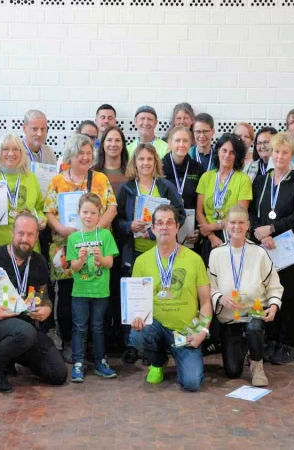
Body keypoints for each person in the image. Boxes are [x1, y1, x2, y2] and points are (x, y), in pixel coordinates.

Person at [0, 212, 67, 393]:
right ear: (12, 233)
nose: (25, 239)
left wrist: (46, 308)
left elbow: (43, 294)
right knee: (24, 332)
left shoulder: (39, 262)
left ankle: (11, 357)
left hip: (27, 329)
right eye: (21, 233)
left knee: (57, 374)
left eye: (30, 234)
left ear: (37, 236)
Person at [44, 134, 117, 363]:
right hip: (65, 246)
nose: (85, 158)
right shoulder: (57, 181)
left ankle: (95, 347)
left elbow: (112, 208)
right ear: (70, 156)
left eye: (88, 153)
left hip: (97, 246)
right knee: (66, 297)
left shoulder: (101, 179)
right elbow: (49, 212)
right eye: (80, 153)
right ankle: (68, 342)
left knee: (96, 295)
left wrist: (93, 232)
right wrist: (64, 230)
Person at [115, 143, 185, 363]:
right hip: (133, 253)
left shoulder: (165, 186)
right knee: (134, 299)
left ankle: (152, 347)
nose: (145, 163)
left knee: (157, 297)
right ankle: (132, 344)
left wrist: (154, 234)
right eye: (141, 159)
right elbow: (116, 221)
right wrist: (129, 226)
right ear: (134, 162)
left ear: (156, 162)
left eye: (149, 159)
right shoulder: (127, 189)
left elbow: (180, 215)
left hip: (161, 253)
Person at [129, 205, 212, 392]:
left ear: (177, 226)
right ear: (152, 228)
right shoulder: (141, 261)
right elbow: (136, 301)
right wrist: (136, 316)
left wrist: (201, 331)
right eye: (159, 222)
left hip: (185, 331)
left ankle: (181, 357)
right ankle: (158, 362)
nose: (164, 227)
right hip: (156, 327)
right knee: (137, 335)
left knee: (192, 384)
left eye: (169, 222)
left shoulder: (194, 259)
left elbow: (206, 302)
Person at [250, 132, 294, 365]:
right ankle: (270, 338)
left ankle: (284, 342)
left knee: (287, 293)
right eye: (276, 151)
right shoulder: (262, 181)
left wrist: (271, 229)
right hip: (264, 247)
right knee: (265, 292)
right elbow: (252, 211)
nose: (280, 156)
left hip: (287, 249)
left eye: (285, 152)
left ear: (292, 155)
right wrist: (259, 232)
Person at [207, 205, 283, 386]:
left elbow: (274, 285)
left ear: (248, 226)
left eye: (241, 222)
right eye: (232, 222)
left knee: (253, 328)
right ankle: (244, 348)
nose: (237, 227)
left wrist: (273, 306)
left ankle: (257, 364)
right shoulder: (216, 254)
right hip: (229, 317)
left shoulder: (259, 253)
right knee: (232, 372)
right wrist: (219, 297)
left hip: (253, 312)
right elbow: (209, 286)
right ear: (226, 225)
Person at [67, 193, 119, 382]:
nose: (88, 216)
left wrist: (100, 259)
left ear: (99, 215)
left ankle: (100, 361)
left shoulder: (105, 235)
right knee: (79, 327)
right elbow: (73, 267)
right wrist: (81, 259)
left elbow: (110, 263)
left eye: (93, 213)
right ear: (78, 213)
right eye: (85, 212)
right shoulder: (73, 238)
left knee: (98, 327)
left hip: (100, 291)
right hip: (80, 292)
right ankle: (78, 362)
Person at [93, 125, 130, 352]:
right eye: (109, 140)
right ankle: (102, 337)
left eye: (118, 140)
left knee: (119, 289)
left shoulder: (130, 171)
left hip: (123, 236)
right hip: (99, 238)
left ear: (123, 145)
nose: (113, 144)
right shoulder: (95, 172)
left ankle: (120, 338)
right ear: (103, 144)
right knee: (101, 288)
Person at [196, 133, 252, 265]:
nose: (227, 155)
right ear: (218, 151)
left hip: (232, 235)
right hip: (208, 238)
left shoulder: (243, 179)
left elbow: (240, 215)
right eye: (224, 150)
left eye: (232, 152)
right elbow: (199, 212)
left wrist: (213, 226)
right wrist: (211, 236)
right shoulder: (206, 177)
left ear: (237, 156)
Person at [162, 126, 202, 250]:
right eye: (177, 140)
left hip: (190, 230)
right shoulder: (159, 167)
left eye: (185, 141)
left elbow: (202, 203)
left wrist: (198, 230)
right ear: (169, 143)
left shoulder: (198, 169)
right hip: (164, 227)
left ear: (190, 144)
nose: (181, 144)